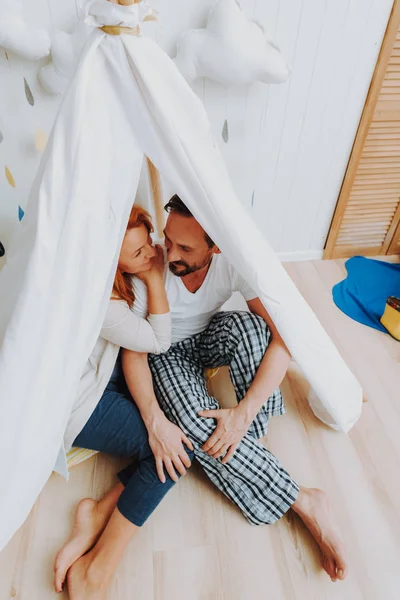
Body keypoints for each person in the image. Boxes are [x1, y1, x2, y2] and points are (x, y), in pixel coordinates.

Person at [123, 195, 348, 583]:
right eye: (168, 239)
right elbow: (136, 353)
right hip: (166, 352)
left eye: (185, 248)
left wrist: (242, 415)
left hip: (209, 337)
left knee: (254, 329)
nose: (169, 252)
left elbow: (284, 338)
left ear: (216, 246)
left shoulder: (233, 263)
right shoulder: (151, 269)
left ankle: (247, 445)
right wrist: (154, 418)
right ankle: (301, 499)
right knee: (194, 427)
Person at [54, 205, 194, 599]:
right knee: (175, 455)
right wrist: (154, 280)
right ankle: (95, 571)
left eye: (147, 243)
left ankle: (97, 514)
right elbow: (157, 341)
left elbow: (141, 345)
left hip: (105, 373)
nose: (152, 254)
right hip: (82, 403)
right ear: (111, 264)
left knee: (170, 432)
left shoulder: (122, 281)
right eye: (137, 254)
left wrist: (144, 266)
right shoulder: (102, 300)